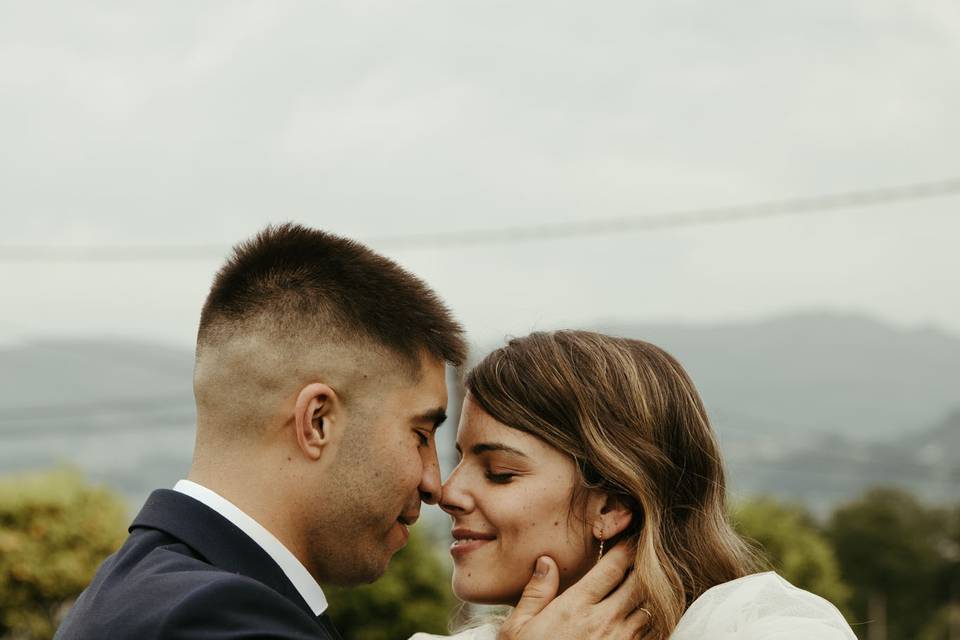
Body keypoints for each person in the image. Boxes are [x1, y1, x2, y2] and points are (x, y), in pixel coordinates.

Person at [55, 225, 646, 640]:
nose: (435, 484)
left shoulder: (156, 585)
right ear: (318, 421)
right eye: (421, 434)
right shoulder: (215, 619)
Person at [412, 331, 857, 640]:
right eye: (460, 458)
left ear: (610, 507)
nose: (447, 493)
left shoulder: (760, 630)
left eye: (500, 473)